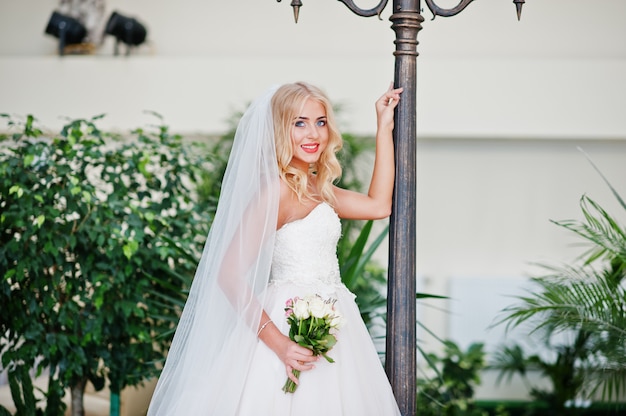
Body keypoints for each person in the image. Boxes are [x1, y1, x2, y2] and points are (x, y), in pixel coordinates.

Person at [147, 81, 403, 415]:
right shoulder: (276, 191)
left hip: (334, 321)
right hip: (285, 323)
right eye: (300, 123)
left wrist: (383, 126)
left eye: (320, 122)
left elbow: (379, 205)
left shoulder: (318, 189)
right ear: (280, 129)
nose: (313, 134)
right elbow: (228, 275)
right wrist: (279, 344)